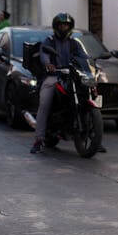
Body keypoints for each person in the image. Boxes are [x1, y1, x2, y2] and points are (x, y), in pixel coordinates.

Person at [30, 12, 88, 154]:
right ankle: (39, 139)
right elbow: (44, 54)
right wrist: (48, 64)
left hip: (72, 77)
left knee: (86, 96)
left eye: (66, 25)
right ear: (56, 26)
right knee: (44, 104)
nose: (64, 28)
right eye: (61, 25)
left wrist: (91, 67)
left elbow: (84, 57)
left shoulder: (75, 43)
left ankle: (94, 137)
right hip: (54, 76)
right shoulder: (49, 41)